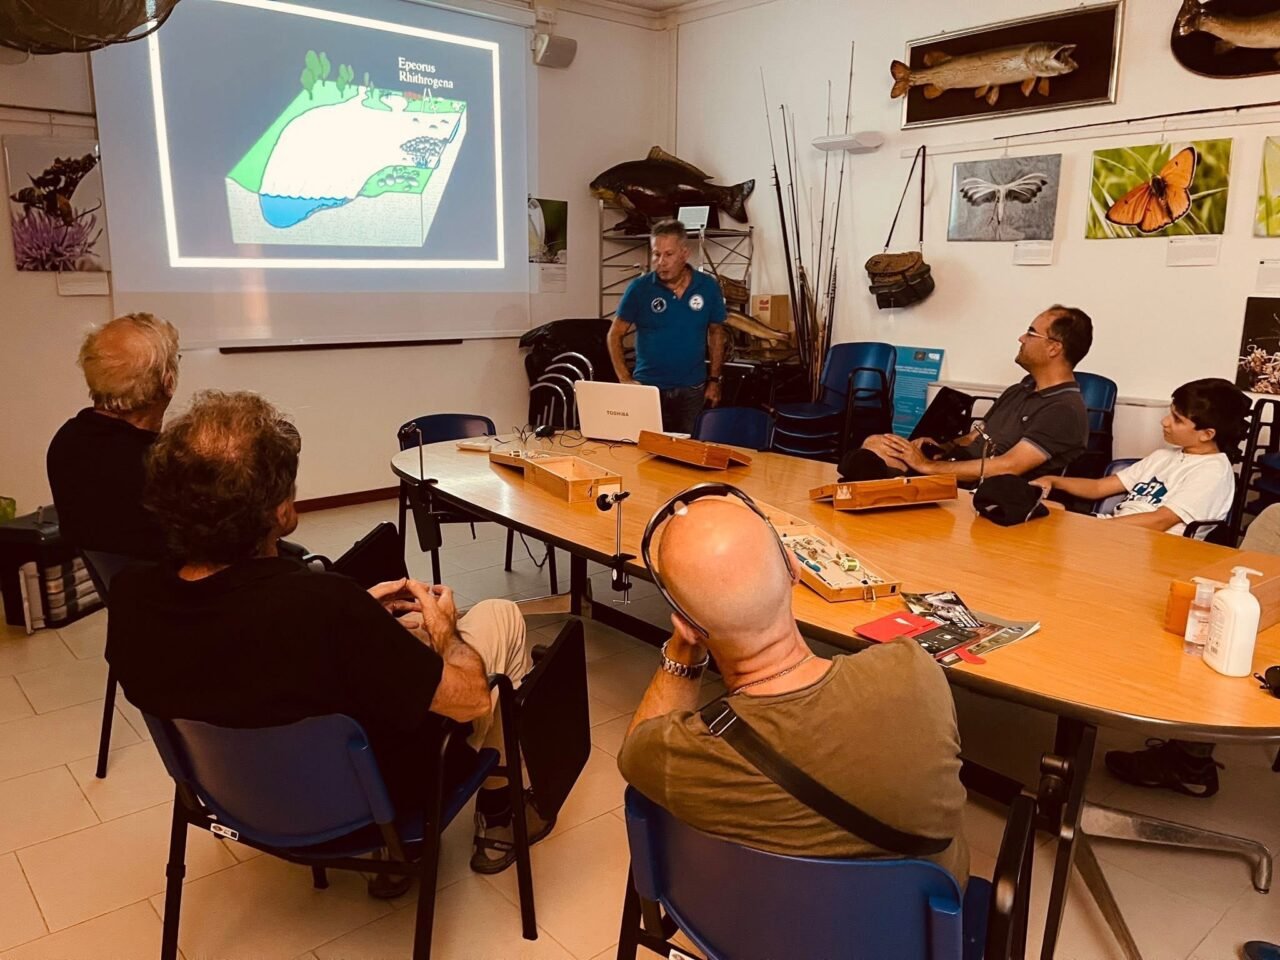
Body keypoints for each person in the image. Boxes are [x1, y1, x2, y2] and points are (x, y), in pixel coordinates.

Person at [106, 390, 548, 889]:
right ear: (279, 511)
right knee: (499, 616)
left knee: (403, 642)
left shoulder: (132, 595)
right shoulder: (323, 607)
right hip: (375, 805)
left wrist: (363, 617)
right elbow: (469, 701)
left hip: (231, 799)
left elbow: (254, 652)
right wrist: (445, 633)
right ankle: (500, 813)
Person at [616, 494, 969, 884]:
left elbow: (637, 748)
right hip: (922, 921)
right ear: (794, 569)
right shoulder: (912, 668)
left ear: (687, 626)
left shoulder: (681, 756)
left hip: (755, 920)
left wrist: (684, 647)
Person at [855, 305, 1093, 483]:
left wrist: (926, 466)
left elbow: (1010, 466)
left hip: (983, 489)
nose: (1021, 338)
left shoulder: (1064, 409)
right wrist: (941, 447)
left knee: (870, 462)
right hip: (956, 466)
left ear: (1054, 348)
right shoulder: (1019, 390)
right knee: (876, 444)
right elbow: (973, 437)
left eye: (1031, 333)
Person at [1030, 378, 1249, 538]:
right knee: (1037, 508)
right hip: (1116, 533)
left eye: (1177, 419)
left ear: (1207, 434)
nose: (1164, 422)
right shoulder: (1162, 457)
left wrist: (1092, 528)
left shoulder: (1213, 471)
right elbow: (1099, 488)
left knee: (1046, 521)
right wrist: (1054, 480)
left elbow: (1160, 521)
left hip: (1153, 548)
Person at [47, 313, 179, 559]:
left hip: (117, 584)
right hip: (172, 582)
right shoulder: (164, 468)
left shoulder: (67, 441)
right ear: (168, 382)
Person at [607, 220, 728, 433]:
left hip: (692, 389)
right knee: (645, 448)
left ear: (684, 254)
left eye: (668, 254)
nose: (661, 262)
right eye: (656, 254)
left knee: (688, 449)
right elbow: (614, 334)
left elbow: (717, 333)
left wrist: (715, 380)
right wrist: (624, 379)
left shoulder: (707, 286)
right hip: (649, 388)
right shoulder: (639, 289)